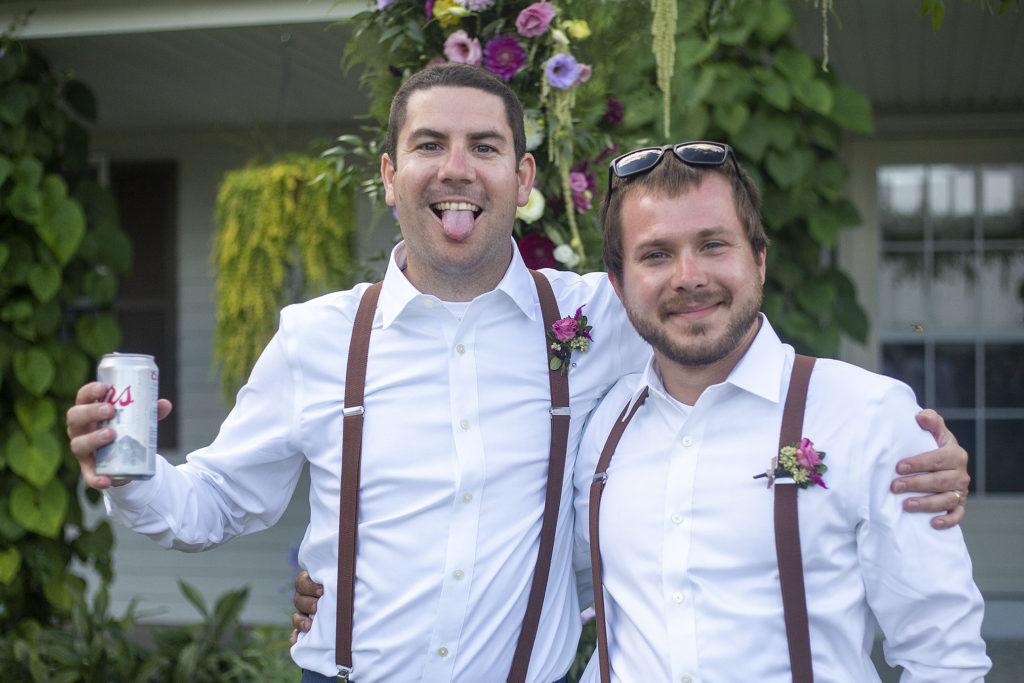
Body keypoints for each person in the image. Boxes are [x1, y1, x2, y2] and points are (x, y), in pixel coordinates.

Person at [66, 65, 968, 683]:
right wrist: (127, 472)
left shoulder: (604, 311)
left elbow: (720, 334)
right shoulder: (316, 338)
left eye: (485, 147)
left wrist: (901, 449)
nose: (455, 169)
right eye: (428, 145)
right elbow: (215, 502)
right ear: (388, 174)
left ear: (522, 173)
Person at [570, 141, 990, 680]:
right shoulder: (604, 426)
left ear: (760, 260)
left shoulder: (867, 415)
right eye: (656, 255)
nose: (688, 276)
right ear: (618, 286)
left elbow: (944, 656)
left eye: (714, 244)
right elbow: (567, 587)